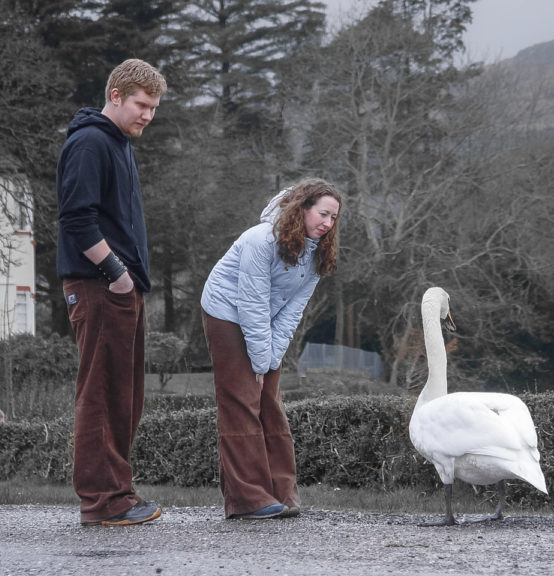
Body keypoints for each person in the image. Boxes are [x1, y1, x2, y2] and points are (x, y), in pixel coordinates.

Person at [56, 59, 167, 527]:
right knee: (101, 394)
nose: (148, 115)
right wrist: (117, 273)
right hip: (100, 285)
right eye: (142, 105)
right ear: (116, 96)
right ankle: (103, 502)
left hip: (120, 288)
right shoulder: (90, 142)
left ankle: (117, 494)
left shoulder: (118, 143)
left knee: (123, 396)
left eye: (154, 108)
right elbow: (76, 218)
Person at [201, 178, 342, 520]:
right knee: (241, 401)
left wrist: (270, 361)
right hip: (227, 312)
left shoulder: (317, 254)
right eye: (323, 213)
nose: (328, 223)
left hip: (265, 320)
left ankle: (281, 494)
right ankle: (247, 500)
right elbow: (251, 303)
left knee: (269, 403)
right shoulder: (260, 240)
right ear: (303, 208)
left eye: (334, 218)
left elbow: (292, 311)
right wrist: (259, 365)